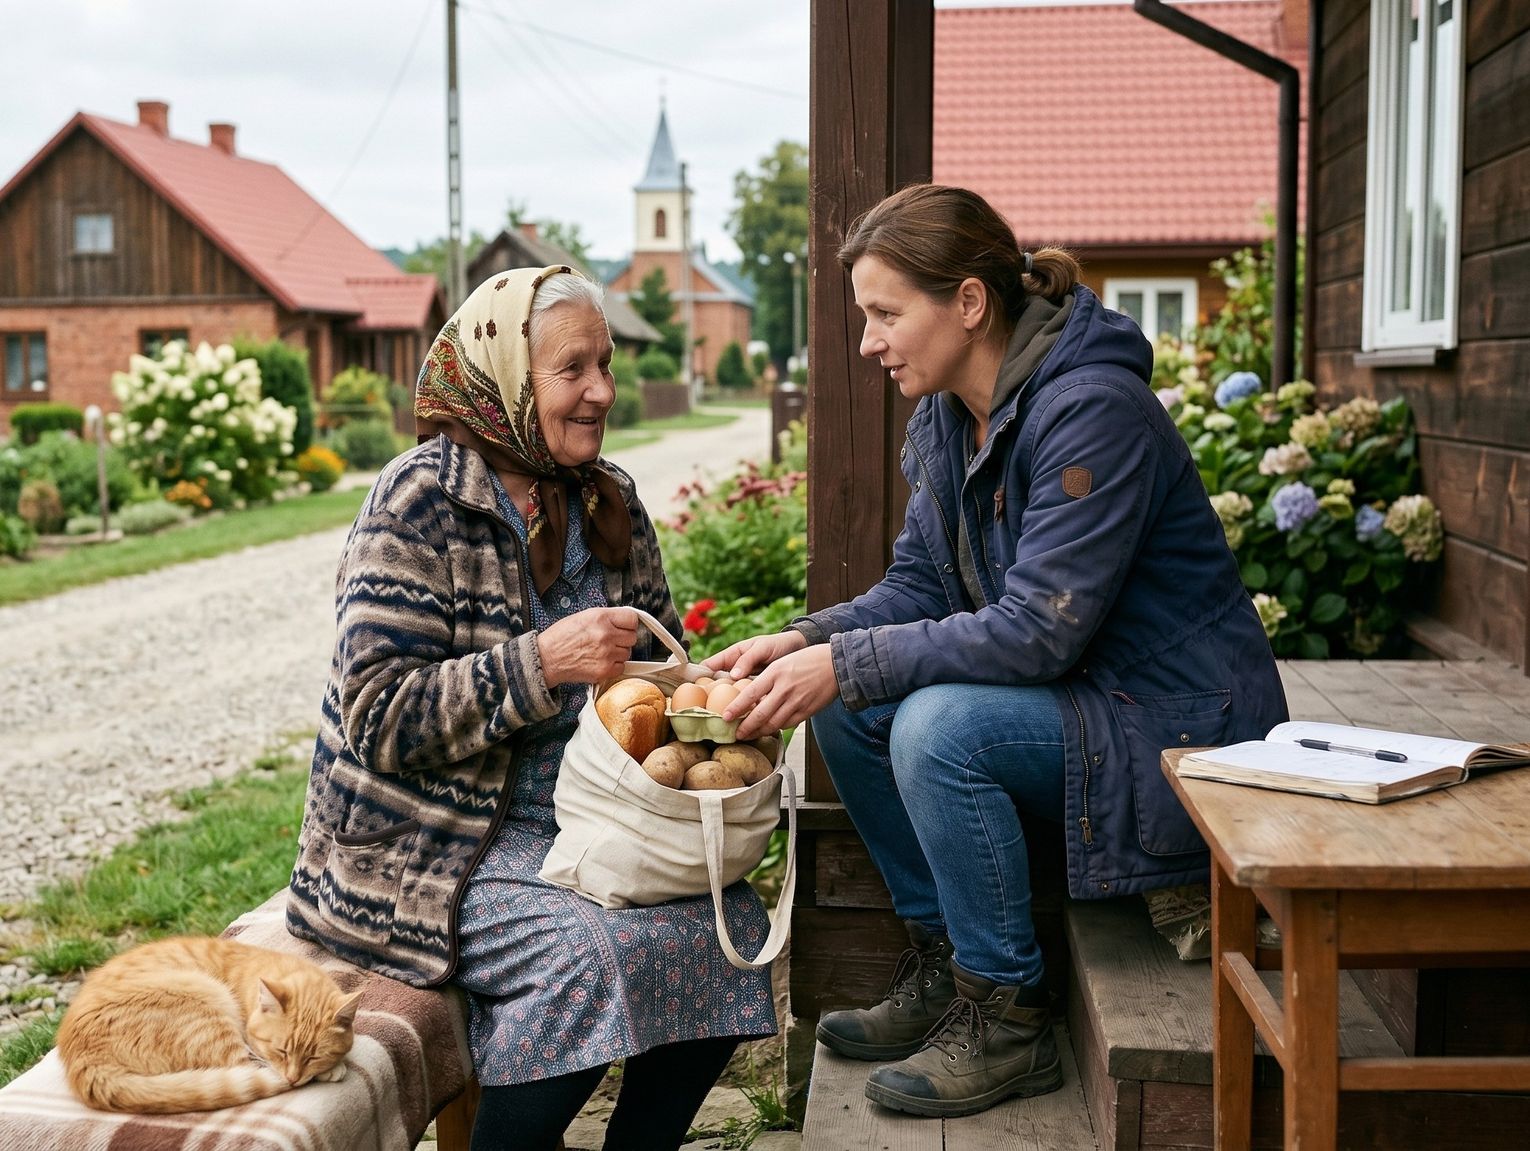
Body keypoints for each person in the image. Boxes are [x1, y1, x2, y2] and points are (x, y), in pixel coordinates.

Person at [706, 185, 1288, 1119]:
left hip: (1180, 728)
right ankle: (946, 961)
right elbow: (919, 589)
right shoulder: (950, 417)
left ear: (969, 302)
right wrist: (808, 640)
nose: (869, 341)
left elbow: (1040, 627)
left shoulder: (1092, 410)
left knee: (938, 727)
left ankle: (1008, 1013)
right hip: (1091, 705)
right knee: (847, 703)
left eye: (886, 313)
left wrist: (847, 660)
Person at [287, 265, 776, 1151]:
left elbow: (661, 673)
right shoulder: (419, 502)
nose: (603, 391)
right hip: (428, 845)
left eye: (606, 364)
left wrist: (718, 702)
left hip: (589, 819)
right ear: (506, 377)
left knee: (728, 922)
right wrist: (540, 662)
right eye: (573, 369)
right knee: (586, 957)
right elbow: (378, 714)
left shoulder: (608, 498)